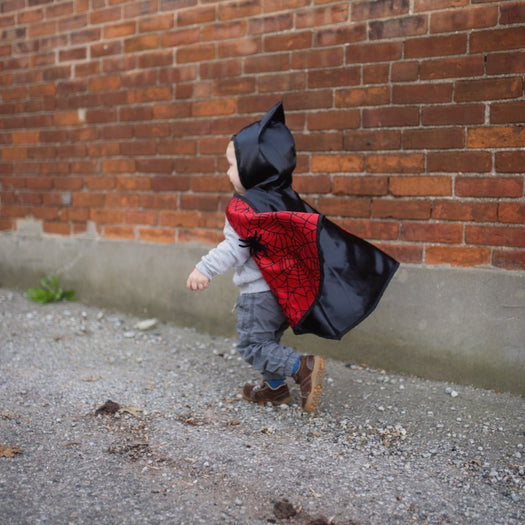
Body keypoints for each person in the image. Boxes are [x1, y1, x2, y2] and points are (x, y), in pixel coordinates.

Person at [187, 102, 399, 412]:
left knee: (252, 345)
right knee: (268, 342)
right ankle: (274, 389)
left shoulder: (246, 209)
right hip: (283, 296)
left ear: (254, 166)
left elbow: (235, 247)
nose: (228, 172)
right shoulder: (285, 200)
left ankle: (302, 367)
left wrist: (204, 269)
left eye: (232, 164)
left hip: (259, 296)